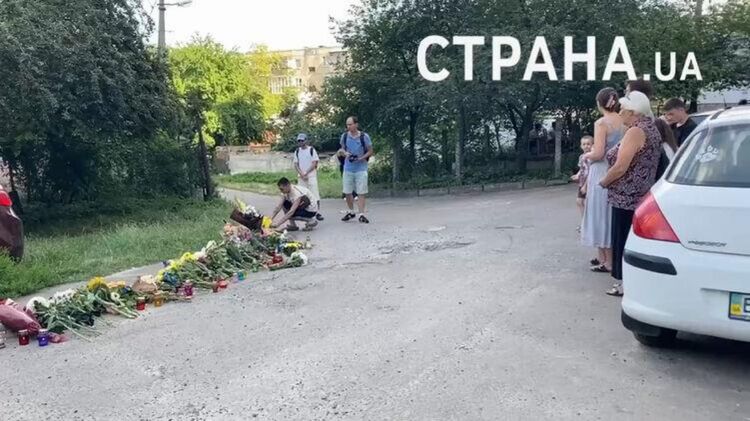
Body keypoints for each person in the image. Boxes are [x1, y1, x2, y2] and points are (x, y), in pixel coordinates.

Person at [599, 91, 662, 296]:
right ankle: (632, 282)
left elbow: (620, 167)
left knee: (622, 239)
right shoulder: (651, 127)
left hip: (626, 196)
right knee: (632, 239)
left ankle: (624, 283)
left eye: (623, 109)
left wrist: (604, 182)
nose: (620, 113)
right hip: (640, 194)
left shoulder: (636, 131)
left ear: (633, 112)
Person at [581, 88, 624, 273]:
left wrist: (586, 155)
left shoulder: (601, 123)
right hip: (617, 168)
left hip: (601, 170)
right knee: (610, 214)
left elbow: (598, 153)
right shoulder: (624, 121)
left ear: (599, 104)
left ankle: (607, 261)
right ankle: (608, 258)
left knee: (600, 214)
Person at [338, 116, 373, 223]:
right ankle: (351, 211)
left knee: (361, 192)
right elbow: (341, 149)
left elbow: (370, 151)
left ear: (356, 124)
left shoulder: (364, 136)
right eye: (347, 125)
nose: (348, 126)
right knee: (347, 191)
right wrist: (345, 153)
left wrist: (361, 158)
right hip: (348, 167)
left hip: (361, 168)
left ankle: (361, 214)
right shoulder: (344, 136)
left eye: (350, 124)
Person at [293, 133, 324, 221]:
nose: (300, 142)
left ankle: (317, 212)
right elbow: (296, 164)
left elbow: (314, 163)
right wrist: (301, 174)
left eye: (302, 140)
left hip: (311, 176)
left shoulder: (311, 150)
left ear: (306, 140)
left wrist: (306, 173)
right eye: (299, 141)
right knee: (302, 195)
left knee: (315, 194)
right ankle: (306, 212)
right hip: (301, 177)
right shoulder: (297, 151)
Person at [571, 135, 594, 224]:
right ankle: (584, 222)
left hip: (589, 183)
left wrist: (585, 186)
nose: (586, 146)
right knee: (579, 202)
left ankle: (588, 223)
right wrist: (577, 175)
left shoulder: (592, 157)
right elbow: (582, 169)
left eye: (588, 144)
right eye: (584, 144)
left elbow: (591, 172)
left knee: (587, 203)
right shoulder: (581, 157)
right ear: (581, 146)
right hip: (582, 182)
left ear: (592, 145)